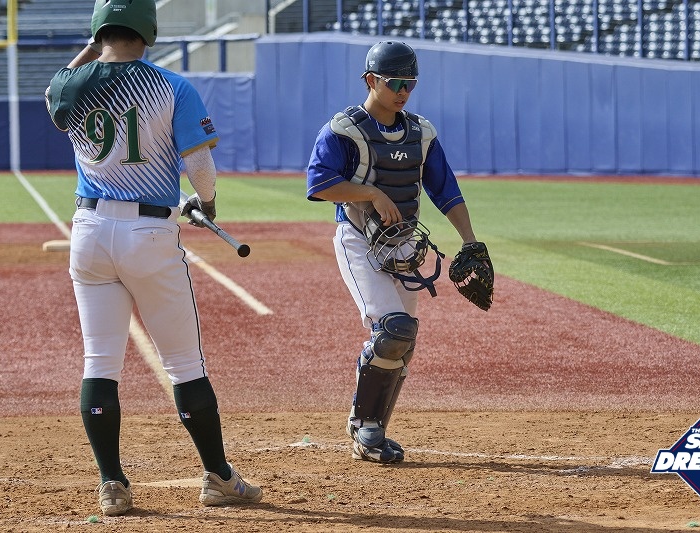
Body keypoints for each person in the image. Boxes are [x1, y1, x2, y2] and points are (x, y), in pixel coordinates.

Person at [45, 0, 261, 516]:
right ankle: (218, 477)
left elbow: (57, 90)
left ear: (99, 30)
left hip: (90, 230)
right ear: (149, 30)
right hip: (149, 233)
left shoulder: (71, 85)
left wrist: (93, 48)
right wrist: (206, 203)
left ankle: (112, 484)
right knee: (184, 363)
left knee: (100, 361)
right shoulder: (171, 86)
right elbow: (199, 164)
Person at [306, 41, 493, 464]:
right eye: (395, 83)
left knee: (402, 341)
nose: (404, 91)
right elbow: (319, 184)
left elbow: (446, 190)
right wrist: (371, 192)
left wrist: (469, 240)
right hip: (358, 239)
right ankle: (364, 426)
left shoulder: (421, 134)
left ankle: (373, 429)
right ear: (371, 80)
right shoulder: (343, 130)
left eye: (411, 83)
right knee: (393, 330)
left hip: (405, 244)